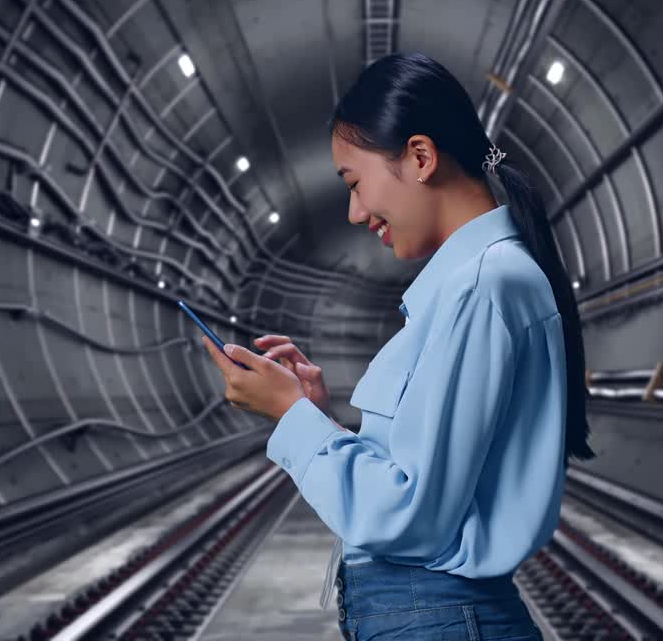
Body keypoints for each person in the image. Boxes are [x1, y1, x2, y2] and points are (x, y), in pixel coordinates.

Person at [201, 52, 594, 641]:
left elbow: (416, 518)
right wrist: (317, 417)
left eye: (355, 184)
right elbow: (423, 479)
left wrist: (289, 417)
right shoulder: (472, 285)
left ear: (419, 157)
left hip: (438, 619)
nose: (356, 213)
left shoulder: (484, 286)